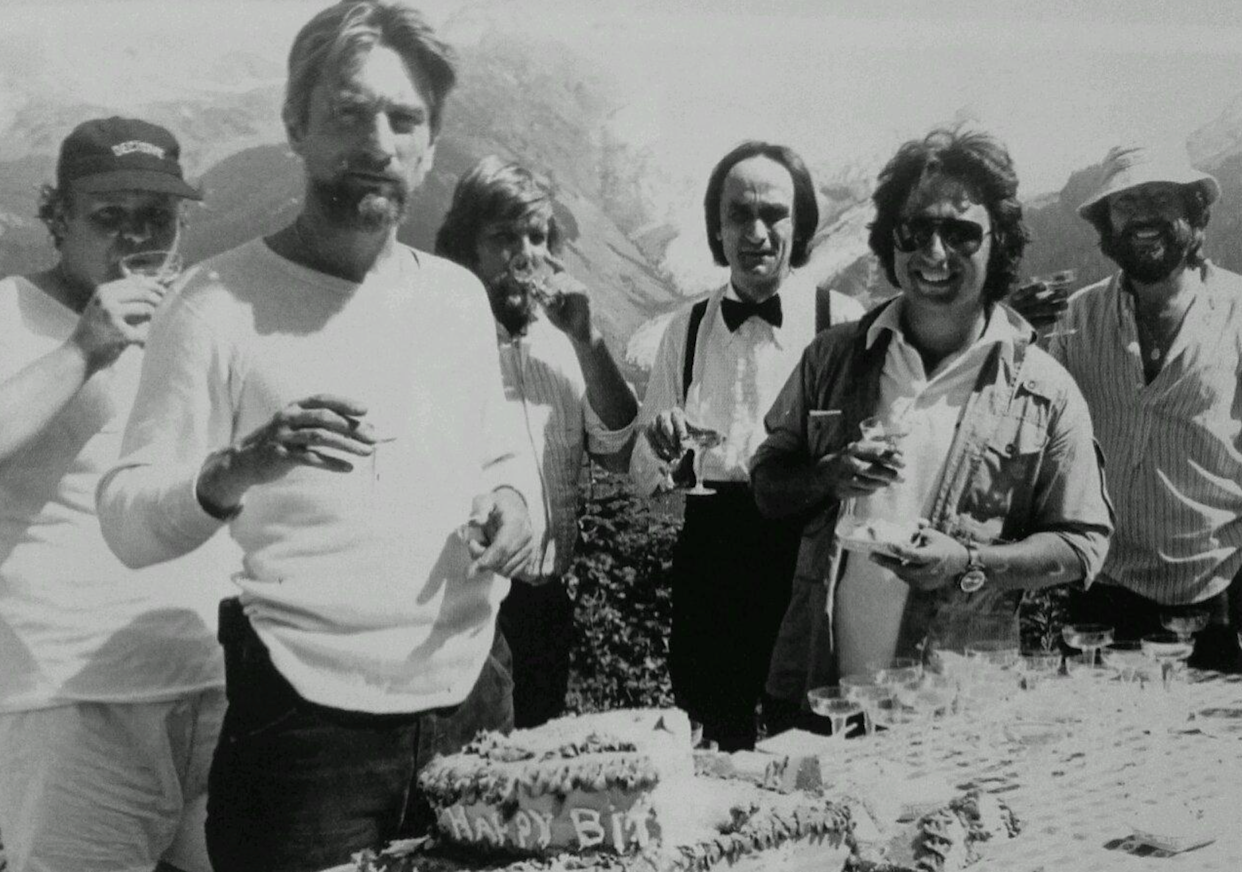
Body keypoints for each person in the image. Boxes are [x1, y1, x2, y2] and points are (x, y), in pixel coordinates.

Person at [95, 3, 539, 869]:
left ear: (431, 142)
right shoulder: (217, 301)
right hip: (304, 726)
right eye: (348, 111)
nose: (377, 140)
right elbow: (124, 517)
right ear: (295, 125)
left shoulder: (454, 299)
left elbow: (499, 455)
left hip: (473, 702)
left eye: (404, 118)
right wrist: (241, 465)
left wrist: (516, 503)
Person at [750, 129, 1114, 707]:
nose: (935, 253)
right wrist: (827, 475)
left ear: (999, 245)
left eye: (961, 233)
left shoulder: (1044, 390)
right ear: (890, 240)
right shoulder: (833, 357)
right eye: (914, 230)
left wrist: (968, 563)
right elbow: (768, 484)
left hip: (957, 706)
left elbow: (1083, 544)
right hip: (825, 695)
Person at [0, 117, 235, 872]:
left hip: (217, 683)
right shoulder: (12, 313)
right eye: (110, 218)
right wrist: (82, 350)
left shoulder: (198, 320)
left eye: (159, 220)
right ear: (56, 217)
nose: (138, 240)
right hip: (72, 698)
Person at [630, 141, 865, 750]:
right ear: (717, 226)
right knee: (717, 741)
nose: (756, 232)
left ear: (802, 222)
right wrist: (662, 450)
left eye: (775, 214)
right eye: (739, 214)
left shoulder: (841, 321)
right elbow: (644, 474)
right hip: (714, 552)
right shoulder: (683, 330)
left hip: (810, 548)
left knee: (813, 735)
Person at [435, 157, 637, 728]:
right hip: (470, 608)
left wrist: (589, 339)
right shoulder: (444, 343)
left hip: (548, 603)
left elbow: (620, 449)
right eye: (502, 238)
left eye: (538, 236)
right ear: (465, 250)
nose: (526, 255)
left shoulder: (560, 343)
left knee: (540, 773)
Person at [1041, 144, 1242, 671]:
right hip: (1102, 594)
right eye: (1125, 204)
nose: (1142, 215)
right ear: (1106, 224)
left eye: (1159, 197)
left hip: (1218, 596)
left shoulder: (1238, 313)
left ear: (1194, 211)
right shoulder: (1075, 319)